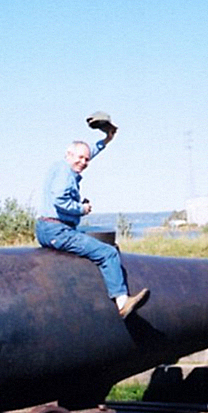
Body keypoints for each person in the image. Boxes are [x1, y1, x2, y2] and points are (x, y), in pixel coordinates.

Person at [36, 112, 149, 319]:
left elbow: (89, 153)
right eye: (80, 157)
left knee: (97, 236)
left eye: (86, 159)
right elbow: (60, 200)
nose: (84, 162)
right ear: (68, 154)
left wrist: (106, 140)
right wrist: (82, 209)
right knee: (109, 253)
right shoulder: (65, 174)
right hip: (57, 230)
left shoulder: (60, 166)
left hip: (46, 228)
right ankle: (122, 302)